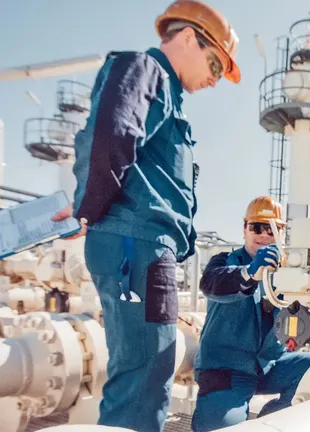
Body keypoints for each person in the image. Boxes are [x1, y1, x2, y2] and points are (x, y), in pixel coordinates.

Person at [50, 1, 241, 431]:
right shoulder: (145, 69)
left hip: (143, 249)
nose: (214, 79)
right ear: (189, 38)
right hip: (134, 243)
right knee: (142, 378)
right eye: (216, 63)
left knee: (150, 371)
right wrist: (88, 208)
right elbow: (112, 132)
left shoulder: (169, 91)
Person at [191, 196, 310, 431]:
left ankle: (268, 421)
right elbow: (211, 284)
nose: (264, 235)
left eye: (272, 229)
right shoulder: (223, 262)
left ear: (281, 233)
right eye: (257, 227)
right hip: (225, 369)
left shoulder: (288, 272)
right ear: (245, 229)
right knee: (222, 427)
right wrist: (249, 273)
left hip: (269, 364)